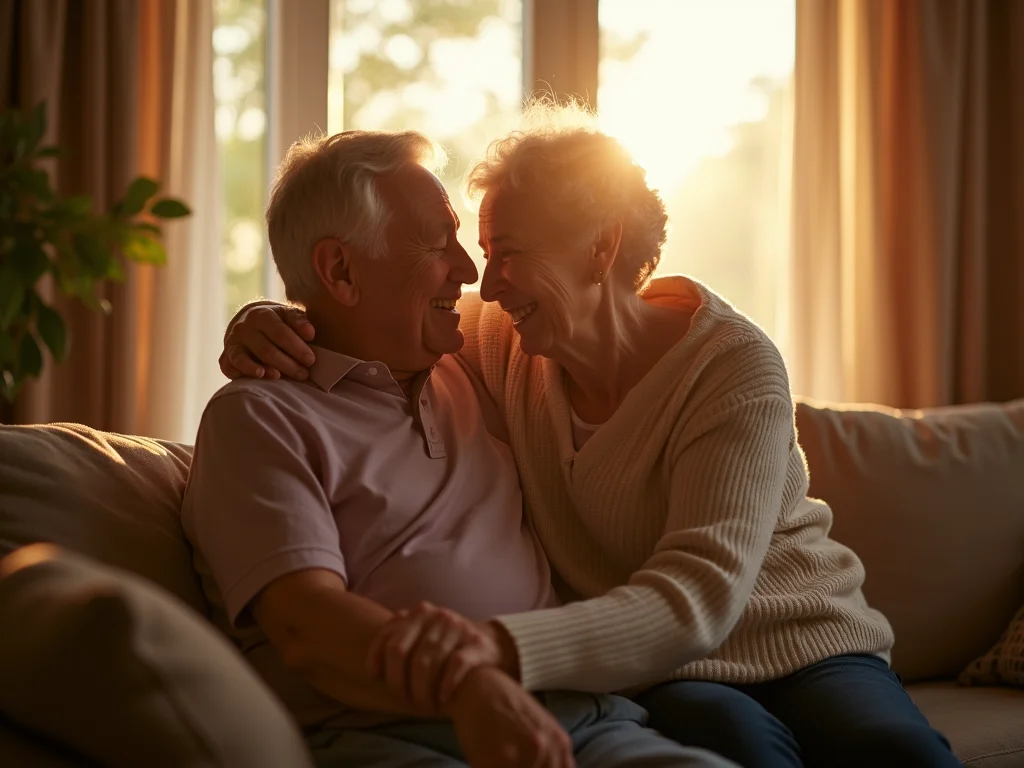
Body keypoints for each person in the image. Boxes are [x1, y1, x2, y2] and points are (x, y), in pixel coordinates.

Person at [222, 105, 964, 768]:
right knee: (737, 744)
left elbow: (697, 599)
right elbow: (364, 318)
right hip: (647, 668)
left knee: (891, 752)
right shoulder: (494, 339)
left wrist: (495, 652)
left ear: (600, 248)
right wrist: (274, 319)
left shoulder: (729, 364)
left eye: (506, 250)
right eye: (470, 245)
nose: (483, 275)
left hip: (793, 636)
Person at [184, 129, 737, 768]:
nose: (470, 271)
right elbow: (305, 626)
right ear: (340, 270)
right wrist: (468, 686)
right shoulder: (259, 418)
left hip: (586, 719)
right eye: (436, 241)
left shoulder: (473, 363)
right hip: (399, 734)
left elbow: (574, 311)